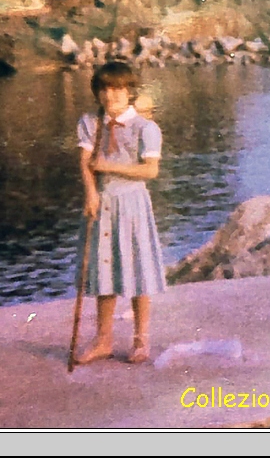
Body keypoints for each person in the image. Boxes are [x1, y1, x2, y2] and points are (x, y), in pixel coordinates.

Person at [74, 61, 166, 365]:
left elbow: (150, 170)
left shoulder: (145, 128)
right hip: (102, 203)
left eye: (117, 89)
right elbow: (85, 161)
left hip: (133, 205)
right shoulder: (90, 122)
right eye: (104, 89)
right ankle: (103, 340)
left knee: (138, 270)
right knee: (104, 271)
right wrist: (90, 193)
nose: (110, 95)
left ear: (129, 92)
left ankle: (140, 340)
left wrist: (110, 166)